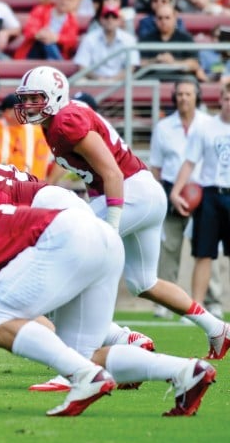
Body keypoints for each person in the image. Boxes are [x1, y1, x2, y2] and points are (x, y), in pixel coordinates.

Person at [0, 186, 216, 416]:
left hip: (65, 238)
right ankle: (185, 371)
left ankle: (84, 376)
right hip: (99, 239)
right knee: (81, 352)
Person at [14, 65, 230, 361]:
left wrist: (110, 228)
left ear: (55, 95)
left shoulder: (66, 121)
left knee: (69, 258)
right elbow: (94, 178)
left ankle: (112, 341)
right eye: (25, 99)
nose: (27, 106)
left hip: (130, 192)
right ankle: (217, 328)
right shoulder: (59, 121)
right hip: (140, 193)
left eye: (35, 98)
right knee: (143, 283)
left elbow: (112, 174)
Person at [150, 78, 224, 319]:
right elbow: (157, 166)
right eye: (180, 94)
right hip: (174, 188)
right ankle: (165, 301)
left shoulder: (208, 123)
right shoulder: (163, 127)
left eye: (188, 94)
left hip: (205, 191)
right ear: (174, 97)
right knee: (169, 247)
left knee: (204, 249)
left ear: (197, 96)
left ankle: (211, 300)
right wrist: (164, 193)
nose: (183, 98)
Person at [170, 82, 230, 323]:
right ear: (220, 100)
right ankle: (196, 310)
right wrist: (176, 191)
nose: (229, 103)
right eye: (227, 98)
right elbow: (189, 162)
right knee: (203, 254)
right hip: (210, 194)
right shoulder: (206, 127)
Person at [0, 94, 53, 180]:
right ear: (8, 112)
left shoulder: (38, 130)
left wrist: (51, 182)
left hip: (34, 188)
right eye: (20, 108)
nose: (25, 111)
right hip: (1, 187)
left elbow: (60, 158)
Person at [137, 3, 206, 82]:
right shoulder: (146, 39)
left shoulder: (186, 38)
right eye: (160, 18)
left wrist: (173, 63)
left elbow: (194, 64)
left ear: (175, 18)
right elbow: (138, 64)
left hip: (180, 80)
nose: (163, 21)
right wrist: (155, 60)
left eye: (167, 18)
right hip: (152, 79)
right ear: (155, 19)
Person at [72, 3, 139, 81]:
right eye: (106, 16)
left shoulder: (129, 39)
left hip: (120, 82)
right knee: (79, 81)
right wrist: (98, 79)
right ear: (101, 19)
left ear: (119, 20)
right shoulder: (89, 38)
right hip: (94, 81)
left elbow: (131, 67)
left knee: (132, 82)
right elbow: (82, 66)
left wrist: (114, 79)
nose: (110, 20)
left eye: (114, 17)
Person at [14, 0, 79, 61]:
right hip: (36, 47)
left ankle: (57, 62)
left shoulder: (72, 20)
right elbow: (29, 29)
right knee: (45, 41)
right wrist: (40, 33)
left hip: (58, 48)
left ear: (71, 1)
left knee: (49, 43)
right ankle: (58, 64)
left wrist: (56, 38)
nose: (63, 1)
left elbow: (71, 40)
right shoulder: (41, 10)